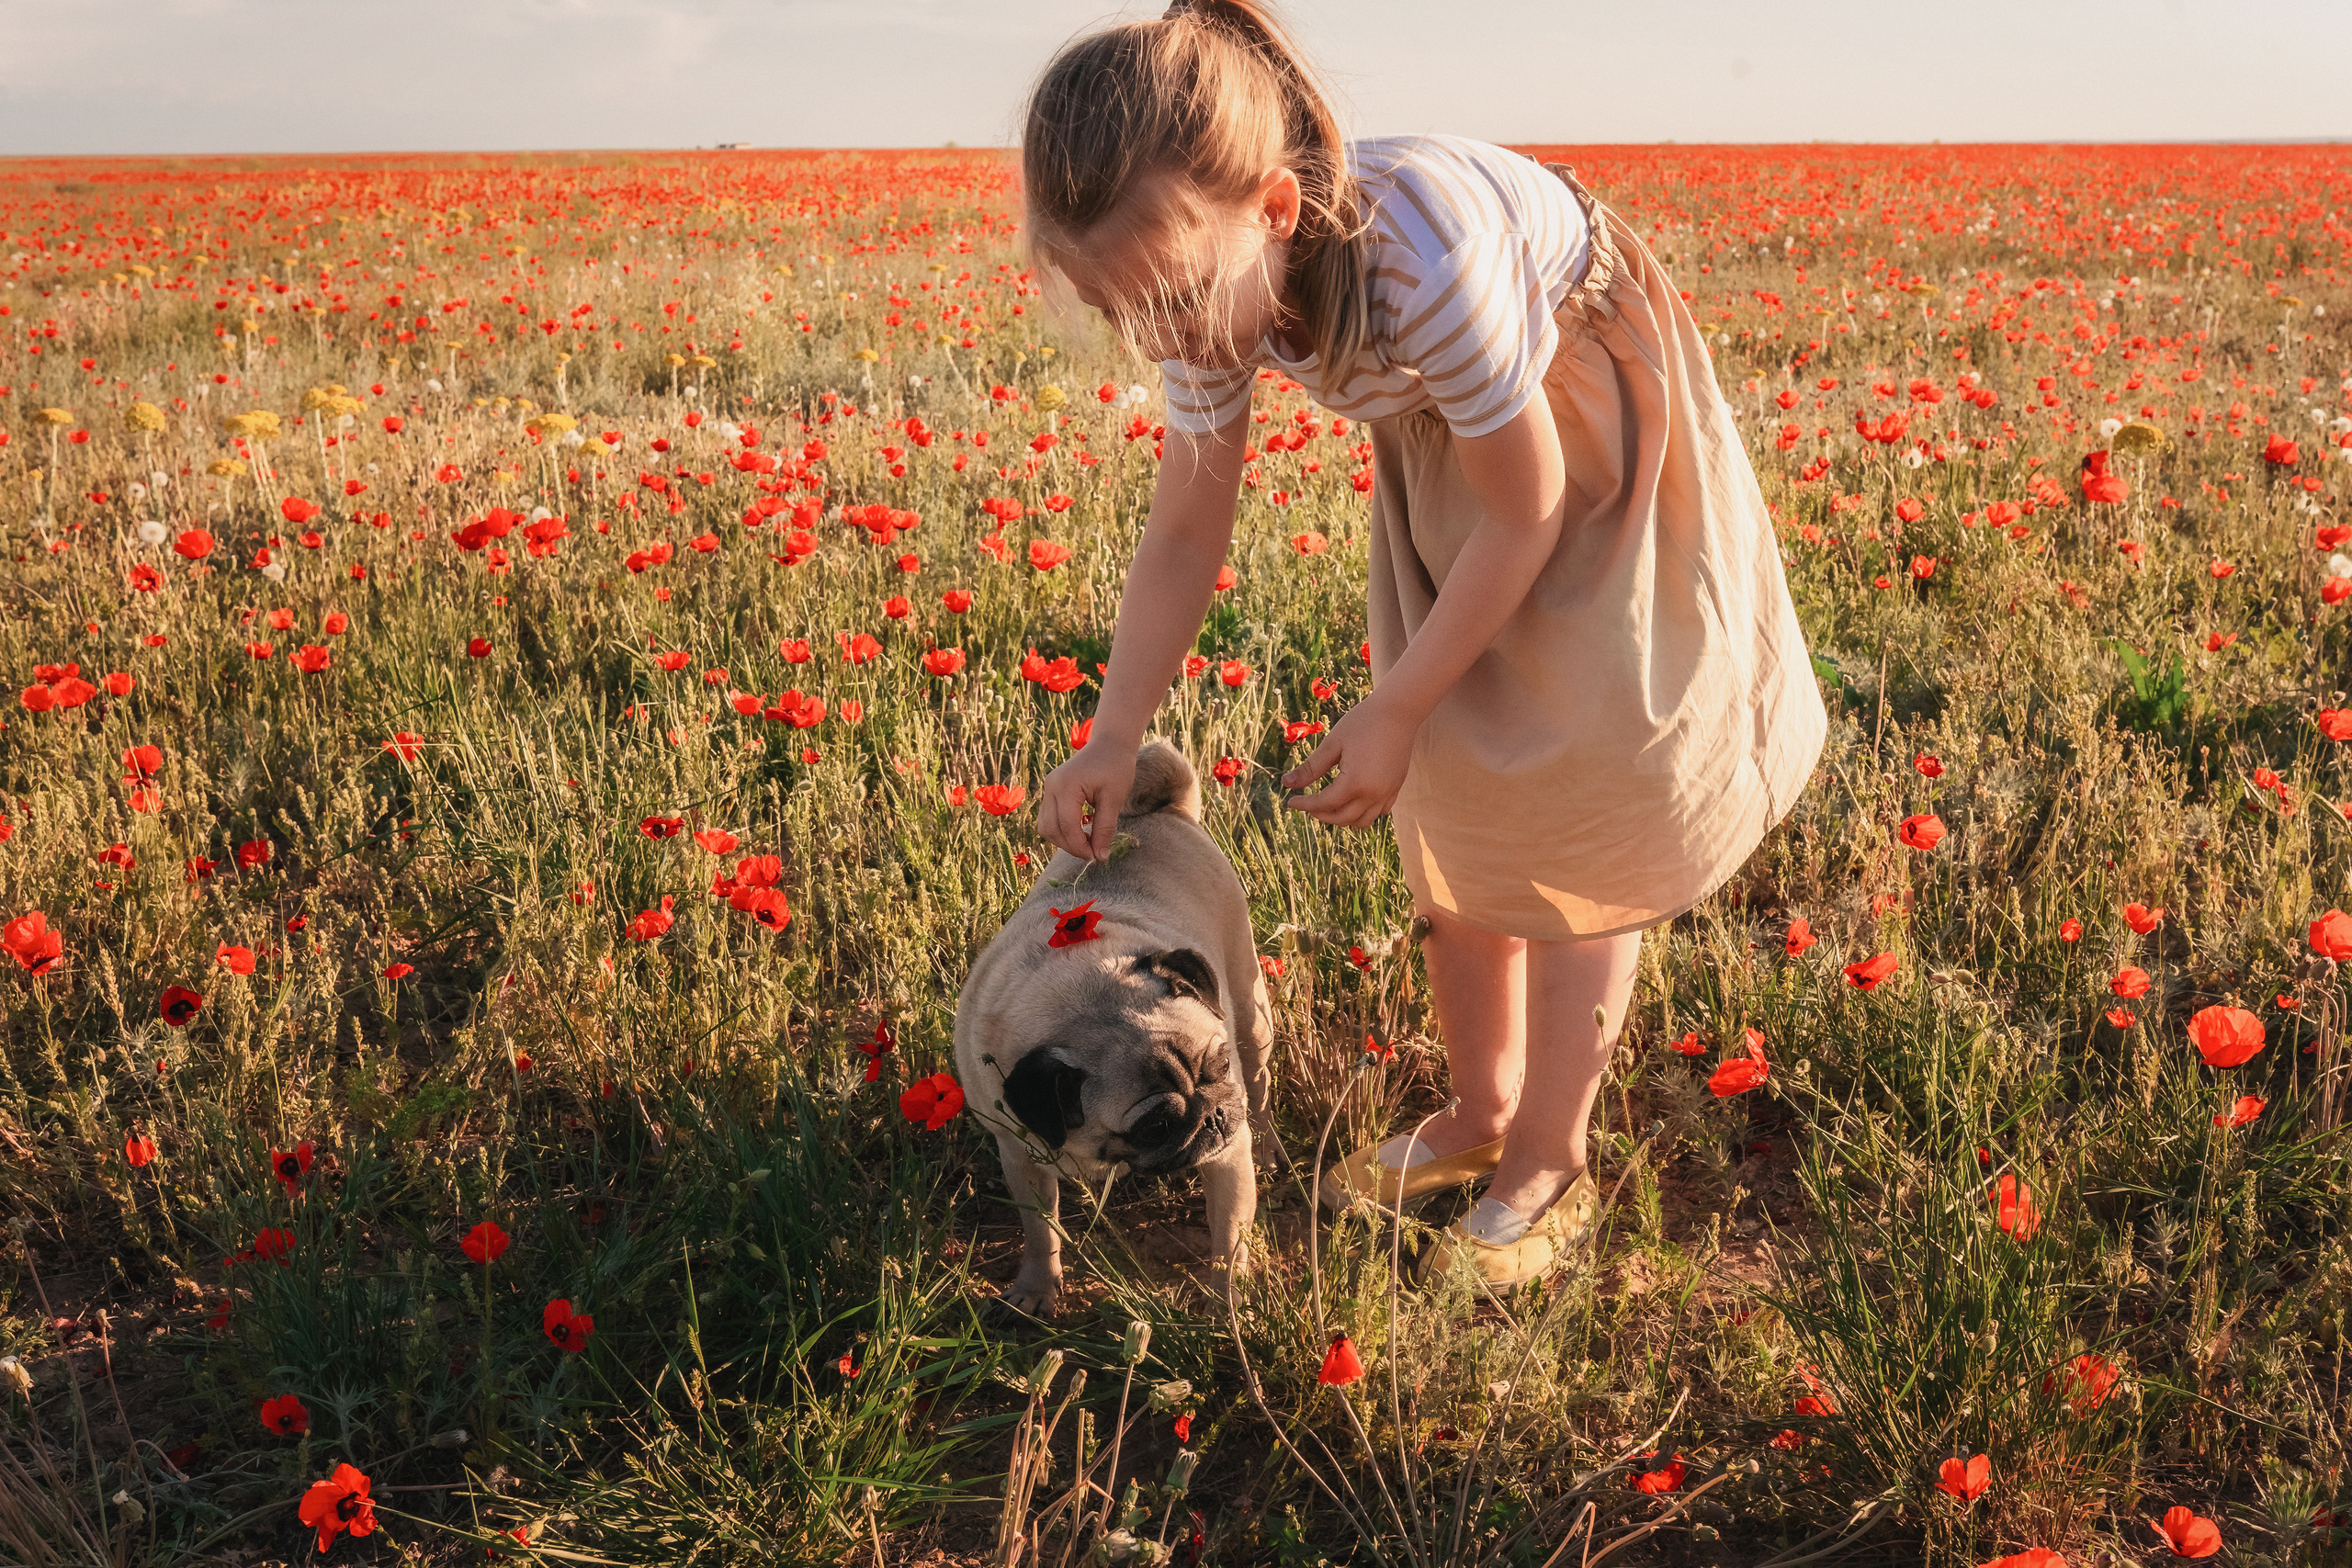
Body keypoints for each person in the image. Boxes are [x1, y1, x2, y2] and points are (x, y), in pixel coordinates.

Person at [1018, 0, 1826, 1294]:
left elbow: (1531, 507)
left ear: (1276, 211)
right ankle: (1481, 1111)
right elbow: (1184, 529)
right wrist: (1115, 733)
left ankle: (1550, 1158)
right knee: (1456, 783)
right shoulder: (1208, 290)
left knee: (1574, 791)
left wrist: (1392, 705)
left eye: (1170, 302)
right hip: (1466, 454)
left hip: (1578, 432)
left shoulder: (1420, 261)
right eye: (1125, 315)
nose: (1161, 341)